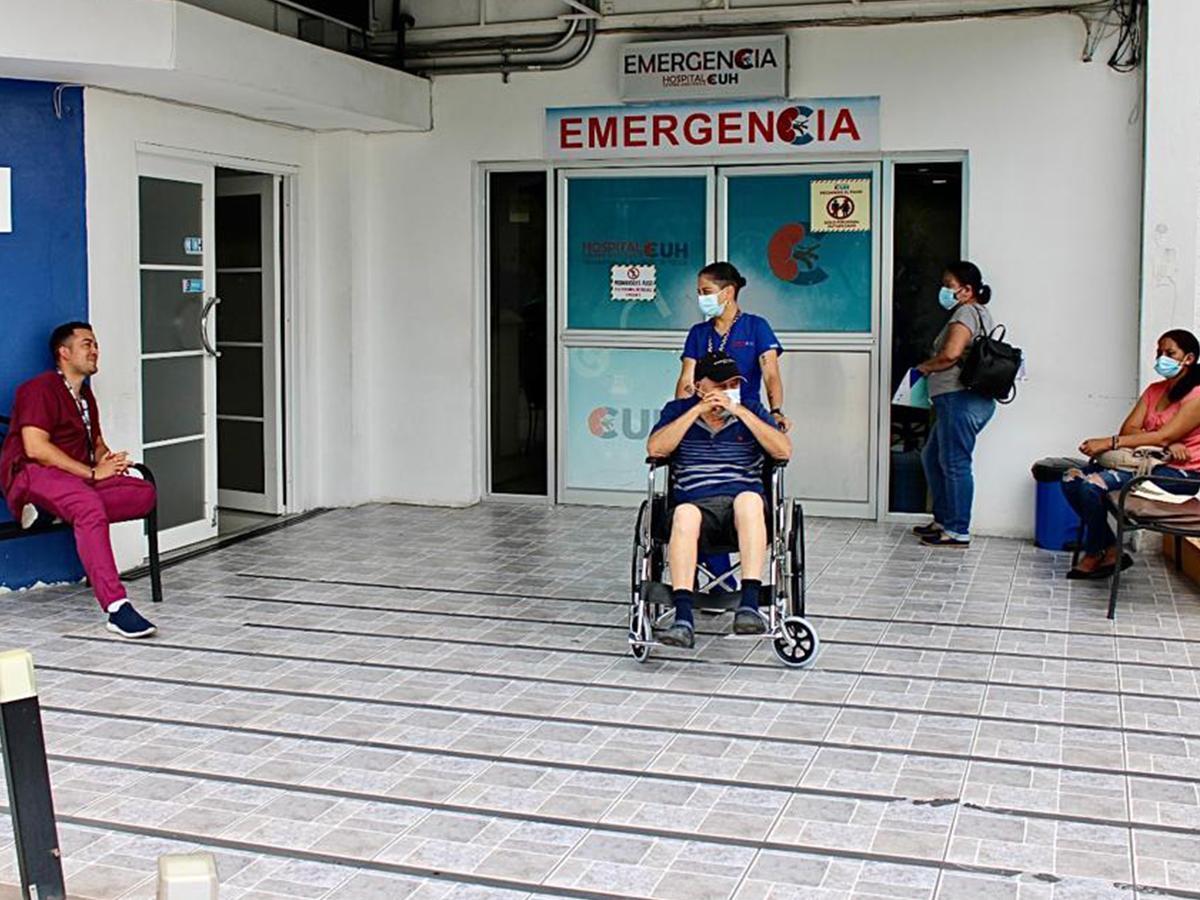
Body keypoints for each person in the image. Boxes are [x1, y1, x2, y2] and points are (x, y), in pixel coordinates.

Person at [0, 322, 159, 638]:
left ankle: (55, 510)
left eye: (96, 344)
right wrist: (90, 473)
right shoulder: (39, 389)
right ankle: (116, 607)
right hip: (35, 475)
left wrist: (108, 460)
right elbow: (35, 447)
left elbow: (95, 443)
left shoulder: (84, 394)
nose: (95, 350)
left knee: (142, 492)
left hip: (76, 481)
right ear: (64, 352)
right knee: (87, 506)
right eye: (87, 344)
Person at [647, 351, 791, 649]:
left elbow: (783, 451)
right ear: (700, 386)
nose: (728, 390)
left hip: (742, 511)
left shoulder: (750, 409)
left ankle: (749, 604)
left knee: (750, 500)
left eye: (733, 384)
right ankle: (683, 619)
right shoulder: (676, 410)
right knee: (685, 514)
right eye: (720, 384)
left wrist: (741, 413)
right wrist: (695, 412)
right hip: (695, 507)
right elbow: (656, 449)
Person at [1064, 329, 1200, 579]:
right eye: (1159, 352)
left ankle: (1095, 552)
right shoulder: (1154, 390)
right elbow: (1129, 428)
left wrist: (1111, 442)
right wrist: (1166, 445)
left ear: (1188, 358)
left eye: (1170, 353)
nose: (1162, 358)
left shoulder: (1197, 395)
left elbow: (1158, 436)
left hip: (1180, 475)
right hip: (1147, 464)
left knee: (1091, 486)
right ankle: (1111, 547)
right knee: (1071, 479)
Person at [911, 260, 996, 548]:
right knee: (933, 456)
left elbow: (951, 354)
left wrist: (925, 367)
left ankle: (958, 529)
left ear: (967, 289)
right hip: (961, 399)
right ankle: (944, 520)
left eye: (949, 285)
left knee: (955, 462)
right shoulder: (979, 313)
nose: (944, 290)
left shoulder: (966, 313)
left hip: (959, 398)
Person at [676, 262, 789, 430]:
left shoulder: (756, 326)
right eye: (699, 293)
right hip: (705, 417)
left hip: (745, 415)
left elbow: (770, 375)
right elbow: (687, 379)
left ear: (728, 292)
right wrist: (681, 415)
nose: (701, 298)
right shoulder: (698, 332)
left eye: (706, 292)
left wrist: (776, 411)